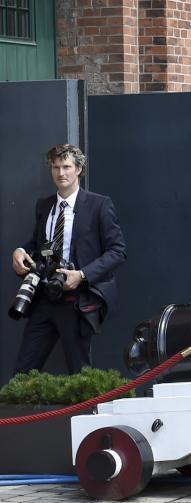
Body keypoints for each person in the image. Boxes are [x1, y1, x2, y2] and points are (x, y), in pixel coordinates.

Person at [11, 144, 126, 374]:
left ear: (79, 169)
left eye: (66, 167)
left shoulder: (99, 205)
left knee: (80, 373)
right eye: (55, 167)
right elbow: (36, 244)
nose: (61, 173)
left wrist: (82, 275)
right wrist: (19, 252)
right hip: (44, 298)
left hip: (77, 301)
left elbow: (117, 250)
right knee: (22, 373)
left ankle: (87, 411)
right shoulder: (44, 206)